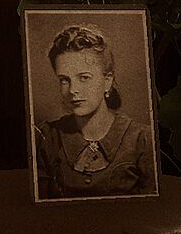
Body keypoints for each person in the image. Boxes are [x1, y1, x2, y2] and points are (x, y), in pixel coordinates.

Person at [33, 23, 156, 199]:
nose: (73, 90)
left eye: (84, 78)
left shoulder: (142, 139)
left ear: (107, 81)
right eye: (64, 80)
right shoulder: (46, 137)